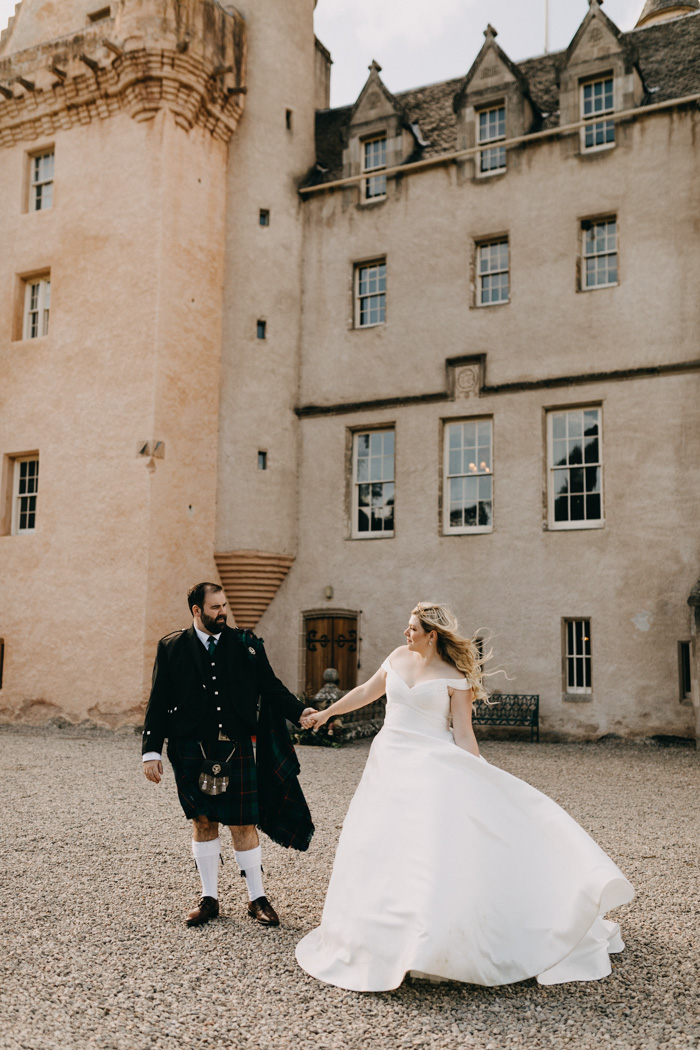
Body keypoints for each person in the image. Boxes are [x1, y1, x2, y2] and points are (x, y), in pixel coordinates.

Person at [295, 602, 634, 992]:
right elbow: (365, 693)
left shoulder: (456, 678)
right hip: (388, 763)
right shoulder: (396, 657)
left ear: (431, 634)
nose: (406, 634)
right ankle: (380, 935)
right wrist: (325, 714)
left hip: (431, 767)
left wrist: (478, 773)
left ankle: (429, 941)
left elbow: (463, 733)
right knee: (379, 844)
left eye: (412, 628)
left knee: (428, 850)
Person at [143, 582, 317, 928]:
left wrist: (300, 712)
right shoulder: (172, 647)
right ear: (196, 610)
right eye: (214, 608)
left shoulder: (246, 645)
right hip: (189, 748)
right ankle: (209, 899)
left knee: (242, 822)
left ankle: (257, 898)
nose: (222, 612)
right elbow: (159, 700)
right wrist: (151, 750)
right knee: (203, 821)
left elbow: (271, 686)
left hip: (234, 745)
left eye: (224, 606)